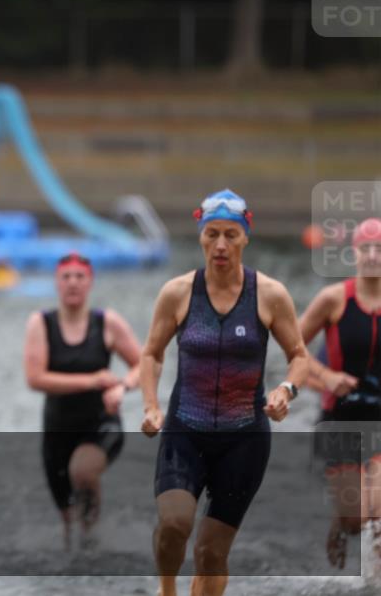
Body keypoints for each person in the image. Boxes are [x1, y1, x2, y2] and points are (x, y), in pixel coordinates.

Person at [139, 189, 309, 596]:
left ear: (246, 237)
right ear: (200, 236)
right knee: (174, 527)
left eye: (230, 235)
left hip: (244, 438)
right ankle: (167, 590)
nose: (220, 245)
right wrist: (150, 405)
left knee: (211, 553)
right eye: (211, 233)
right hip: (186, 430)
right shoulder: (178, 292)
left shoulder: (269, 294)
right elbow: (151, 354)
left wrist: (286, 389)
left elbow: (299, 355)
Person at [23, 252, 142, 548]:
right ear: (56, 283)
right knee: (67, 518)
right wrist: (92, 380)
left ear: (90, 283)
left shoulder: (107, 323)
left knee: (83, 471)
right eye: (66, 277)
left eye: (80, 277)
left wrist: (123, 386)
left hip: (101, 424)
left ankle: (94, 543)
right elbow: (35, 378)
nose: (73, 283)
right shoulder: (41, 323)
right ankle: (78, 551)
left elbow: (145, 364)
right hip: (57, 430)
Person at [299, 217, 381, 568]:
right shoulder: (332, 300)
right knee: (357, 519)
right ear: (354, 253)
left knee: (380, 513)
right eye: (367, 248)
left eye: (380, 249)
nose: (374, 256)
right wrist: (327, 377)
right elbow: (293, 350)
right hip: (340, 421)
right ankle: (341, 523)